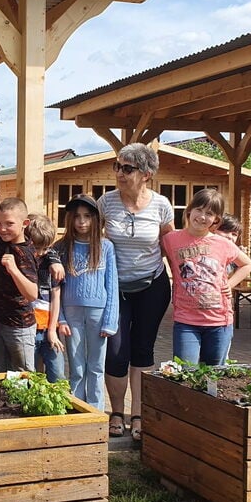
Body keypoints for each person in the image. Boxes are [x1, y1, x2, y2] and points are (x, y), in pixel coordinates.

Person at [98, 143, 173, 442]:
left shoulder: (161, 205)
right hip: (115, 287)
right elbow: (91, 237)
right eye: (117, 166)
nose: (119, 172)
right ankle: (116, 412)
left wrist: (183, 283)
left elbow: (170, 244)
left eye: (127, 168)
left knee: (143, 350)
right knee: (116, 351)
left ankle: (138, 413)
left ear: (146, 174)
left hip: (152, 286)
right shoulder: (106, 202)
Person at [163, 190, 251, 366]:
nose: (202, 217)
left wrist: (230, 283)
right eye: (199, 210)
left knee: (214, 376)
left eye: (209, 213)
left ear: (216, 220)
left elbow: (247, 264)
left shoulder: (223, 244)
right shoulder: (171, 239)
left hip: (219, 321)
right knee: (185, 371)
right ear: (189, 211)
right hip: (186, 321)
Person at [54, 195, 118, 411]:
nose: (82, 221)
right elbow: (55, 287)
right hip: (71, 313)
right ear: (70, 219)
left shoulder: (106, 246)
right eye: (77, 217)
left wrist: (110, 320)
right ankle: (77, 407)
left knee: (96, 365)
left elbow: (112, 285)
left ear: (96, 219)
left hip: (98, 314)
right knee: (76, 364)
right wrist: (60, 318)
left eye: (87, 216)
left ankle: (96, 409)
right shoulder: (62, 247)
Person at [0, 198, 39, 371]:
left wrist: (14, 270)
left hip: (19, 326)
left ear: (24, 223)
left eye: (9, 223)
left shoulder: (25, 252)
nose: (2, 228)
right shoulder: (1, 239)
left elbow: (32, 294)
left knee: (23, 378)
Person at [27, 214, 66, 382]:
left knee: (57, 375)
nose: (40, 253)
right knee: (31, 375)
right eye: (37, 248)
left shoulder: (51, 263)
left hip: (49, 328)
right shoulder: (23, 261)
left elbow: (56, 296)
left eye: (44, 248)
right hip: (28, 329)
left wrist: (52, 330)